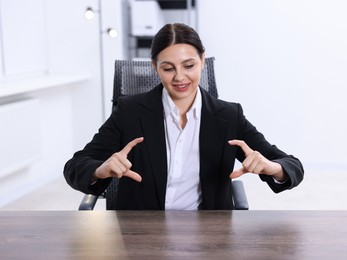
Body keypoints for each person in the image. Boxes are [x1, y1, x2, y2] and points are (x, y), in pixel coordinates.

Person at [64, 23, 304, 210]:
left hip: (208, 236)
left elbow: (292, 166)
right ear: (154, 66)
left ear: (202, 60)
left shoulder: (228, 116)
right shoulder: (130, 112)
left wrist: (271, 167)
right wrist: (100, 170)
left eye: (189, 65)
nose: (180, 77)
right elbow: (75, 166)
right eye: (168, 68)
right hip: (142, 234)